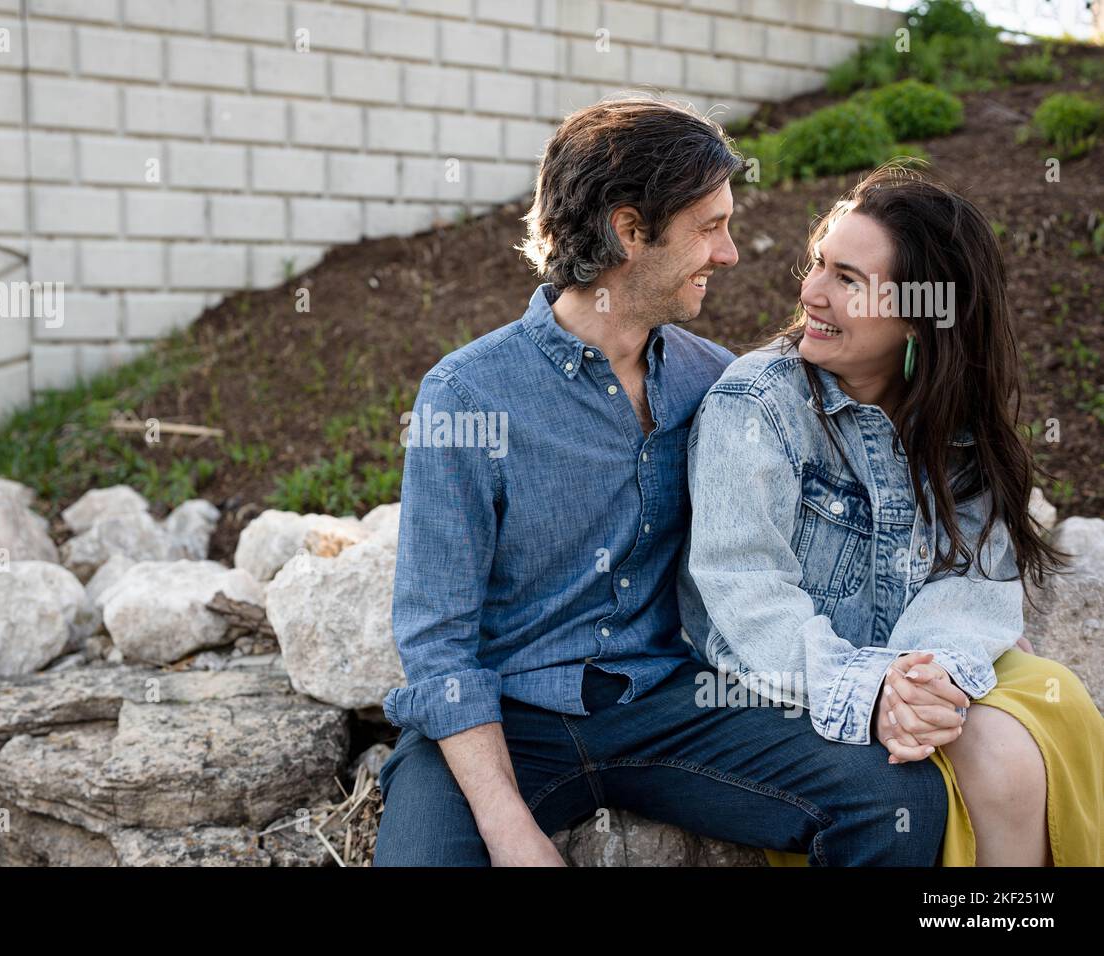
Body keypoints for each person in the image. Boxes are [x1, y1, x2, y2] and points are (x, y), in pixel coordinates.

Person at [372, 98, 948, 867]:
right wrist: (509, 827)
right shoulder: (469, 395)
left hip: (669, 703)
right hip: (505, 721)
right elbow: (437, 641)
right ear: (629, 231)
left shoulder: (716, 381)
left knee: (893, 797)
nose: (731, 253)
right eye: (709, 227)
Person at [678, 163, 1104, 866]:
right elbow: (743, 598)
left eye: (848, 279)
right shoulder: (755, 406)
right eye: (819, 264)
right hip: (796, 674)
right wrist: (874, 687)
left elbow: (973, 578)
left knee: (1015, 757)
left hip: (925, 657)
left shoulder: (954, 413)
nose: (811, 292)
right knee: (970, 769)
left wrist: (922, 674)